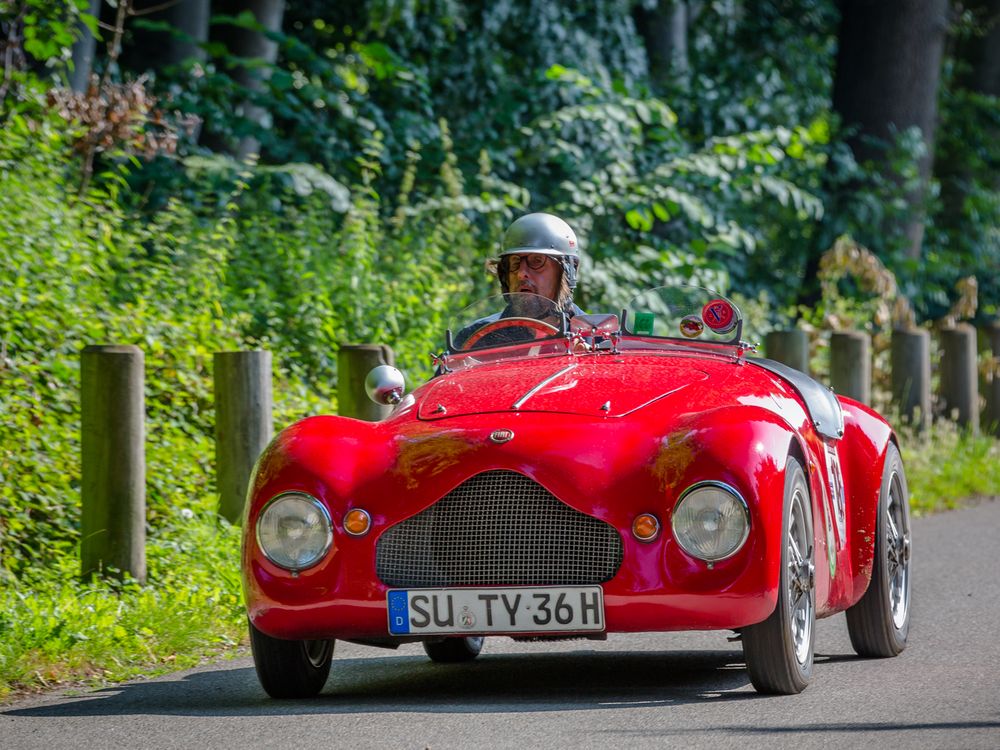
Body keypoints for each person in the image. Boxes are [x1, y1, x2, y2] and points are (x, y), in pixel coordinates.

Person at [453, 213, 585, 349]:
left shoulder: (597, 339)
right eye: (515, 263)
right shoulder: (476, 340)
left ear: (567, 272)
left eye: (537, 261)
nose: (521, 274)